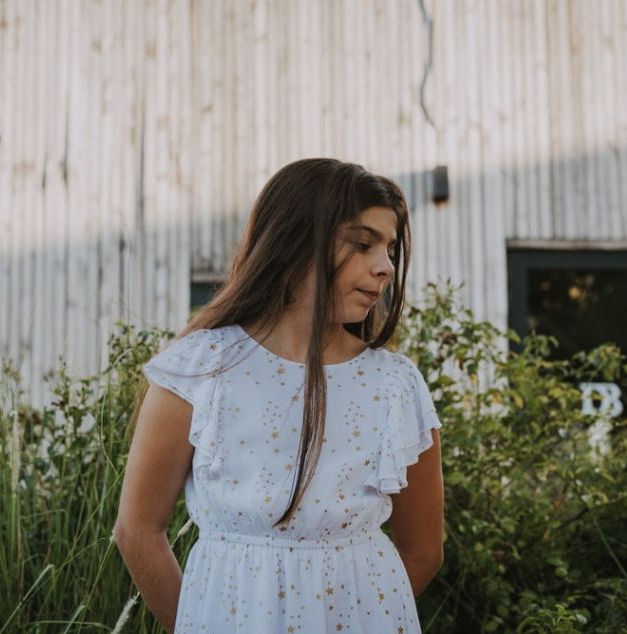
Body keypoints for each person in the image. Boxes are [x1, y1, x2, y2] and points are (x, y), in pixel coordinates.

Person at [112, 157, 445, 633]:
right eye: (362, 243)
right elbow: (137, 530)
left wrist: (353, 613)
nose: (385, 267)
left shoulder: (395, 385)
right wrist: (202, 622)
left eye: (390, 248)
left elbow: (423, 549)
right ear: (296, 242)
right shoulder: (200, 369)